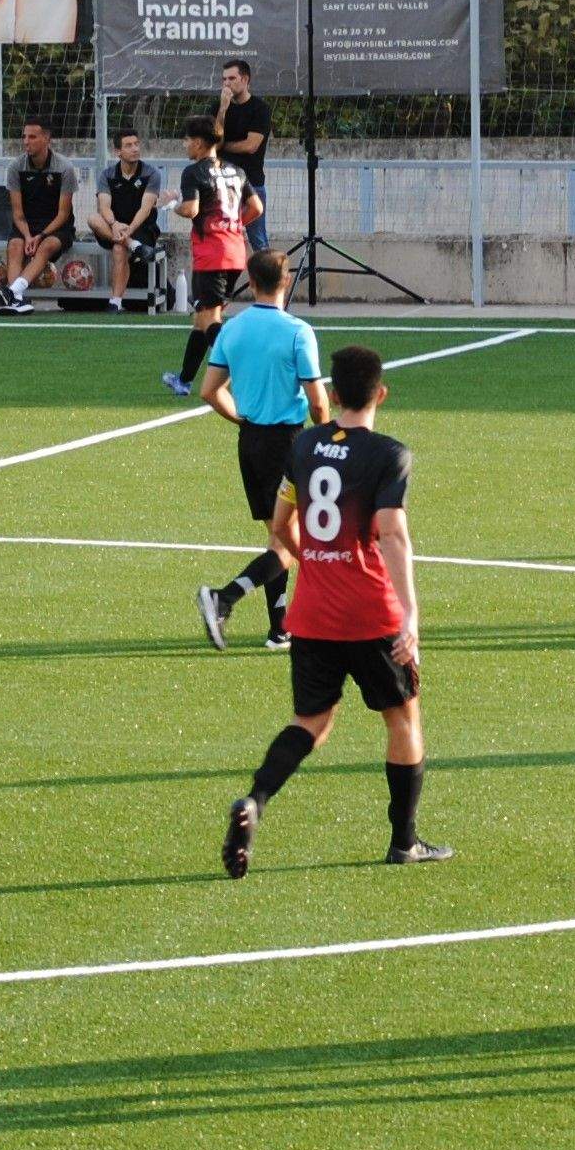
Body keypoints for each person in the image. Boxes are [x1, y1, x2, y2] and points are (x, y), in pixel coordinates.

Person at [224, 343, 449, 875]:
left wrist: (315, 560)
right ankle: (404, 842)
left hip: (312, 614)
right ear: (381, 394)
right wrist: (410, 616)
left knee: (310, 721)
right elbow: (392, 533)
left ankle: (255, 800)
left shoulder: (304, 445)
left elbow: (281, 525)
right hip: (371, 615)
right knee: (403, 718)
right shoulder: (390, 454)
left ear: (334, 393)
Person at [188, 247, 327, 652]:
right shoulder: (297, 331)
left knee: (278, 535)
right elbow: (318, 401)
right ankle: (224, 597)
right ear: (287, 281)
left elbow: (210, 391)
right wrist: (326, 438)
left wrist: (242, 419)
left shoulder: (232, 330)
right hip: (288, 442)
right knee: (288, 542)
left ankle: (279, 629)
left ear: (250, 282)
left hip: (250, 441)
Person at [168, 117, 261, 378]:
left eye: (187, 140)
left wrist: (172, 204)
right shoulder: (237, 170)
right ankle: (184, 380)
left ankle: (244, 371)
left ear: (198, 143)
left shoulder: (193, 172)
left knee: (209, 319)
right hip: (236, 252)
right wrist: (232, 225)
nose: (185, 144)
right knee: (203, 318)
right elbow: (256, 207)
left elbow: (190, 209)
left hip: (211, 255)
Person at [87, 129, 164, 311]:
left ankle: (115, 302)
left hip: (143, 228)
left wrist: (128, 230)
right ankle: (133, 245)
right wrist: (114, 224)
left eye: (136, 144)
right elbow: (104, 207)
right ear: (118, 152)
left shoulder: (151, 173)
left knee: (118, 248)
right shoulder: (107, 175)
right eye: (128, 145)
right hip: (113, 227)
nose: (135, 148)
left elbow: (145, 209)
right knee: (92, 218)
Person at [3, 121, 75, 314]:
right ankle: (16, 301)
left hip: (56, 226)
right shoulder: (15, 167)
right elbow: (17, 214)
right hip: (26, 225)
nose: (26, 141)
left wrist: (40, 235)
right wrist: (28, 236)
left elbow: (63, 214)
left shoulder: (65, 168)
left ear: (46, 139)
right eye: (24, 136)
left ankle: (12, 292)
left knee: (46, 246)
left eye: (32, 137)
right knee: (15, 246)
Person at [216, 58, 276, 254]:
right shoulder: (219, 107)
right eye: (224, 79)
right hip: (224, 183)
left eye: (232, 78)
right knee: (222, 237)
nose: (227, 83)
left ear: (245, 79)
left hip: (251, 182)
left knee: (258, 239)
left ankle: (267, 273)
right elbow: (214, 142)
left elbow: (251, 146)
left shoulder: (259, 109)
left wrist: (224, 147)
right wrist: (223, 110)